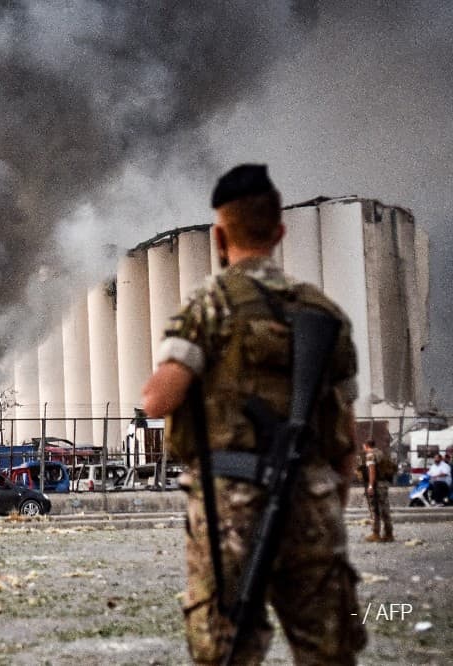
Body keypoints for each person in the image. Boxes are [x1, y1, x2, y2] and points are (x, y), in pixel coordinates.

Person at [142, 164, 365, 664]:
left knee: (227, 647)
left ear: (219, 235)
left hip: (231, 508)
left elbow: (158, 400)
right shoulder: (325, 313)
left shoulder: (210, 304)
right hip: (310, 499)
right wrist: (329, 498)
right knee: (328, 648)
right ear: (280, 231)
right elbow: (345, 433)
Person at [362, 439, 394, 542]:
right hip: (384, 485)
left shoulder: (370, 455)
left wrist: (370, 485)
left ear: (366, 446)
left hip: (376, 485)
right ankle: (389, 534)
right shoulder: (381, 453)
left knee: (375, 509)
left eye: (364, 446)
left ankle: (376, 533)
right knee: (385, 509)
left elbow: (372, 471)